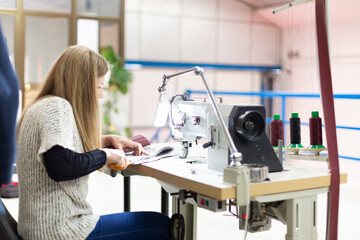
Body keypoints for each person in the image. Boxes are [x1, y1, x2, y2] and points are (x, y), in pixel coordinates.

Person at [16, 45, 171, 240]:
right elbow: (60, 165)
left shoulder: (43, 104)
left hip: (38, 229)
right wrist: (105, 155)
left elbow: (57, 147)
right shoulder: (58, 107)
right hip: (59, 231)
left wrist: (104, 141)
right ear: (80, 85)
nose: (100, 95)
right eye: (98, 87)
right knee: (160, 225)